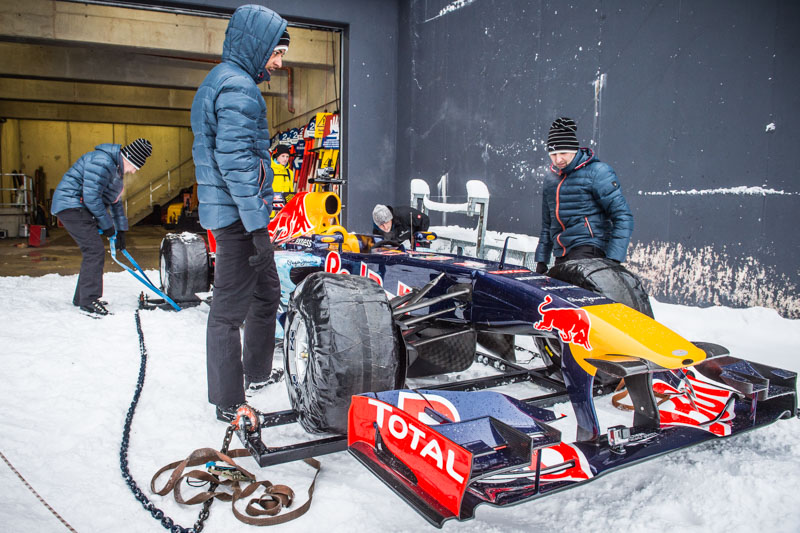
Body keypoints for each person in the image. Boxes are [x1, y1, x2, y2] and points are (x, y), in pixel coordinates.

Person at [191, 4, 288, 423]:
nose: (280, 61)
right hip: (237, 221)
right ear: (258, 45)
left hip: (235, 215)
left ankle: (256, 371)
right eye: (277, 51)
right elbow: (235, 161)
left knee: (267, 294)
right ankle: (228, 400)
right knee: (228, 313)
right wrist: (257, 226)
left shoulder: (224, 81)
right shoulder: (238, 87)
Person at [51, 138, 152, 316]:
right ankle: (89, 300)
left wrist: (121, 231)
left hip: (79, 206)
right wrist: (107, 225)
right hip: (71, 205)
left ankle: (82, 297)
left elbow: (115, 203)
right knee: (94, 250)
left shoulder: (115, 170)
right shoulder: (101, 161)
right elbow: (91, 197)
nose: (134, 171)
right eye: (135, 166)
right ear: (128, 158)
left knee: (93, 250)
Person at [534, 117, 633, 274]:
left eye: (563, 153)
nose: (558, 159)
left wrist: (613, 260)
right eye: (553, 154)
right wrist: (541, 260)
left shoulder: (598, 173)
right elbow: (547, 225)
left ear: (574, 149)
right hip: (562, 254)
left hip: (590, 250)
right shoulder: (551, 180)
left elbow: (623, 216)